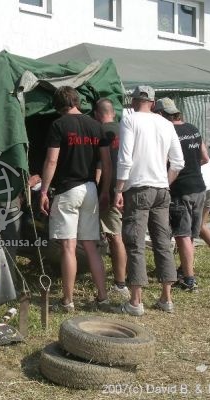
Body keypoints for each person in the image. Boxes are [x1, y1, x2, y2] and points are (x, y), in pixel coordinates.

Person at [113, 86, 184, 316]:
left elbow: (125, 158)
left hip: (138, 188)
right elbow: (178, 162)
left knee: (135, 242)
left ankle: (136, 301)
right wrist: (165, 181)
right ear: (153, 103)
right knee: (162, 241)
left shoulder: (130, 120)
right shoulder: (166, 123)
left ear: (134, 101)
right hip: (161, 189)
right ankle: (166, 297)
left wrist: (118, 189)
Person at [40, 86, 111, 312]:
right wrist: (105, 190)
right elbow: (106, 163)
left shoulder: (58, 125)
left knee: (68, 247)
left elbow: (52, 161)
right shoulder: (96, 125)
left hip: (67, 190)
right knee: (91, 246)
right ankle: (103, 297)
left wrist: (43, 191)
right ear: (77, 101)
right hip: (90, 188)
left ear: (58, 105)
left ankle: (68, 301)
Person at [154, 98, 205, 292]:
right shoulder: (193, 129)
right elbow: (204, 158)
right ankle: (185, 270)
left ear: (161, 114)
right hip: (199, 187)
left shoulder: (167, 131)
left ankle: (189, 279)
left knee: (182, 235)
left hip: (180, 189)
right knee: (189, 234)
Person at [94, 98, 129, 298]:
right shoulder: (125, 129)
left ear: (97, 115)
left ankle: (120, 283)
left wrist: (104, 191)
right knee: (126, 235)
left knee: (115, 237)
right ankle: (128, 277)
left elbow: (102, 165)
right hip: (129, 188)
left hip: (113, 190)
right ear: (114, 113)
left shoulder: (100, 131)